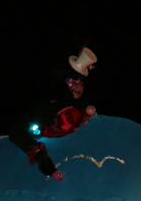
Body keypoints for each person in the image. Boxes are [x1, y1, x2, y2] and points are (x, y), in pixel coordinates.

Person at [9, 47, 97, 180]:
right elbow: (17, 131)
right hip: (53, 173)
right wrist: (40, 156)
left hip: (78, 169)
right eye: (74, 82)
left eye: (81, 83)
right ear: (64, 82)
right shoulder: (52, 105)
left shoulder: (82, 110)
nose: (79, 87)